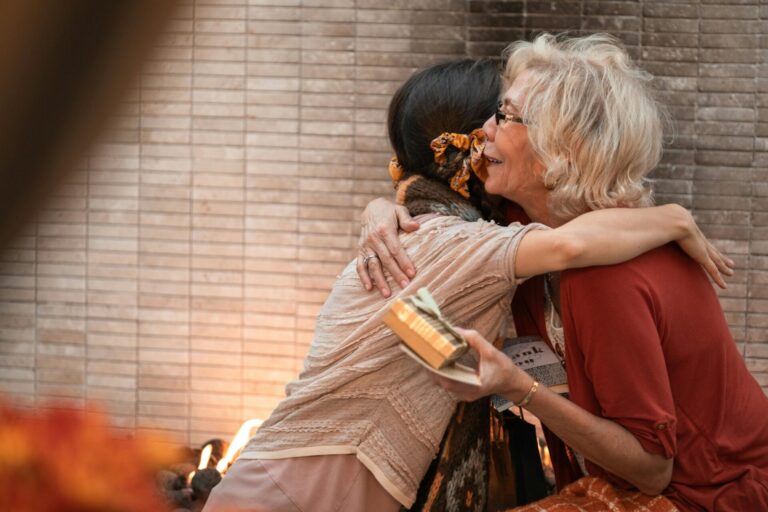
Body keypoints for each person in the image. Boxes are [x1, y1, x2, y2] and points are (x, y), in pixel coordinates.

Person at [203, 58, 729, 512]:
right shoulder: (454, 245)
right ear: (469, 150)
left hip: (296, 483)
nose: (495, 128)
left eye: (507, 116)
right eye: (495, 115)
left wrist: (383, 205)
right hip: (293, 494)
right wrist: (676, 217)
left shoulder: (435, 241)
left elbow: (436, 353)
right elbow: (568, 245)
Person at [358, 33, 768, 511]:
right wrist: (381, 212)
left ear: (562, 152)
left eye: (506, 117)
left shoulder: (605, 273)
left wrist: (516, 385)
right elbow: (433, 240)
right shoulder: (522, 225)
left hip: (706, 495)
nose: (482, 131)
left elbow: (653, 471)